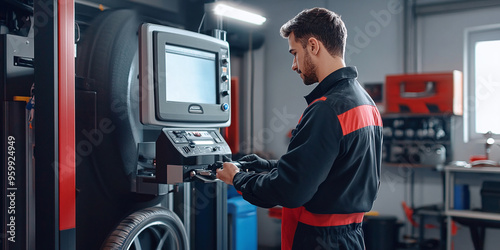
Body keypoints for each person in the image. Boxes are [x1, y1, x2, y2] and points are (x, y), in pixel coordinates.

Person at [216, 7, 383, 250]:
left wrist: (239, 179)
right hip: (351, 238)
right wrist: (269, 166)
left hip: (318, 241)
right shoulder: (366, 103)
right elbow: (330, 168)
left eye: (295, 53)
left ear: (313, 46)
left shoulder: (327, 109)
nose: (294, 65)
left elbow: (291, 191)